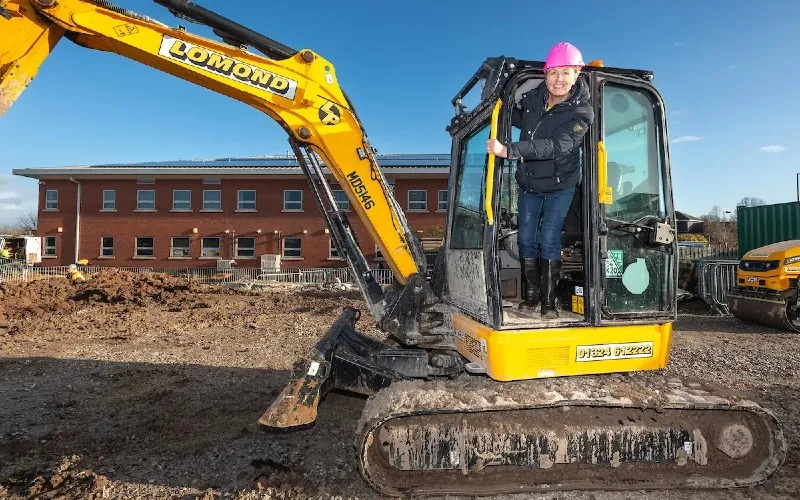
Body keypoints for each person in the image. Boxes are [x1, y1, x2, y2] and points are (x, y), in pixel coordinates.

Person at [486, 42, 594, 319]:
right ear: (545, 74)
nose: (559, 79)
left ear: (577, 74)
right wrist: (499, 104)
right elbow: (523, 121)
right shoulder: (534, 99)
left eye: (566, 73)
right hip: (530, 182)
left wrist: (509, 150)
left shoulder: (582, 113)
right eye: (553, 72)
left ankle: (548, 302)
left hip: (560, 185)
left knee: (548, 239)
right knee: (525, 240)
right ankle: (531, 296)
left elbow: (556, 146)